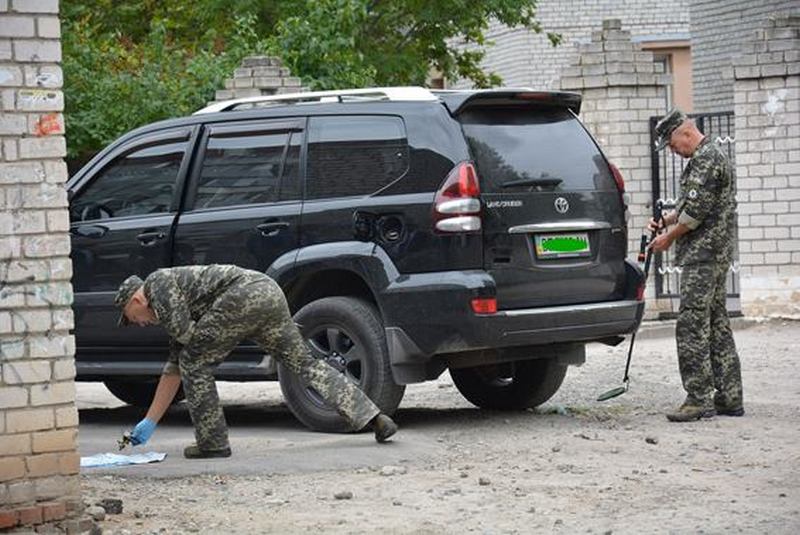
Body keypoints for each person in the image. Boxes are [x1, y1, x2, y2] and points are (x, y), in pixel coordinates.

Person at [114, 264, 397, 458]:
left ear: (136, 300)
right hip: (267, 292)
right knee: (304, 363)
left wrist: (193, 356)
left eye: (130, 318)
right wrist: (149, 421)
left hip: (243, 296)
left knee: (195, 362)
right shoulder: (173, 300)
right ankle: (373, 417)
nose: (138, 325)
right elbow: (174, 367)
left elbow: (189, 349)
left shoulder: (157, 284)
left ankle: (212, 443)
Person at [648, 108, 744, 423]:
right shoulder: (704, 158)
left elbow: (696, 215)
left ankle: (698, 398)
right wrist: (666, 219)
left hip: (704, 256)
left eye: (673, 145)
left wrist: (668, 238)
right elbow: (690, 206)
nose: (674, 152)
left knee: (691, 324)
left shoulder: (707, 160)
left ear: (684, 133)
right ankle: (729, 397)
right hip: (712, 254)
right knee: (716, 322)